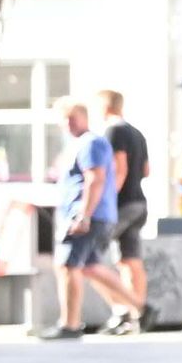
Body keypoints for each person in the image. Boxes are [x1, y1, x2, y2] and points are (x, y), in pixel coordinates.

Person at [45, 101, 128, 340]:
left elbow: (95, 179)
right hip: (86, 213)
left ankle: (70, 324)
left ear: (84, 117)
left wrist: (84, 215)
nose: (67, 124)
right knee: (89, 267)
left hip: (87, 215)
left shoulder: (91, 143)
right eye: (64, 119)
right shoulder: (80, 144)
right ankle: (138, 306)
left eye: (72, 118)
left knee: (69, 266)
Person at [100, 91, 160, 321]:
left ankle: (122, 311)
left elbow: (119, 168)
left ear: (105, 107)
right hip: (139, 202)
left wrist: (106, 200)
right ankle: (138, 313)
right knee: (130, 260)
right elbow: (146, 170)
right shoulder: (137, 133)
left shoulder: (114, 131)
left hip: (121, 205)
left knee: (88, 257)